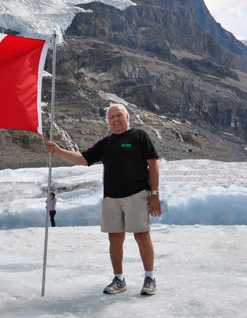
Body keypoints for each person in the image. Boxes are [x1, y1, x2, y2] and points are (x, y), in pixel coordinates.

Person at [46, 103, 161, 296]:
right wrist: (58, 151)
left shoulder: (139, 136)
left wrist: (155, 194)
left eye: (119, 115)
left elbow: (153, 164)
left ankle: (149, 278)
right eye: (111, 117)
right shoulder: (106, 143)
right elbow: (82, 158)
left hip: (137, 194)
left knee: (142, 236)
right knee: (114, 239)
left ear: (127, 117)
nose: (115, 119)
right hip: (111, 197)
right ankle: (119, 280)